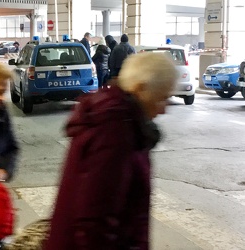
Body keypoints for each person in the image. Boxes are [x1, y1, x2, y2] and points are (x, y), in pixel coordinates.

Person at [44, 52, 179, 250]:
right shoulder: (114, 128)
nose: (163, 109)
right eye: (162, 98)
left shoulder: (123, 121)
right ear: (140, 89)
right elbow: (95, 219)